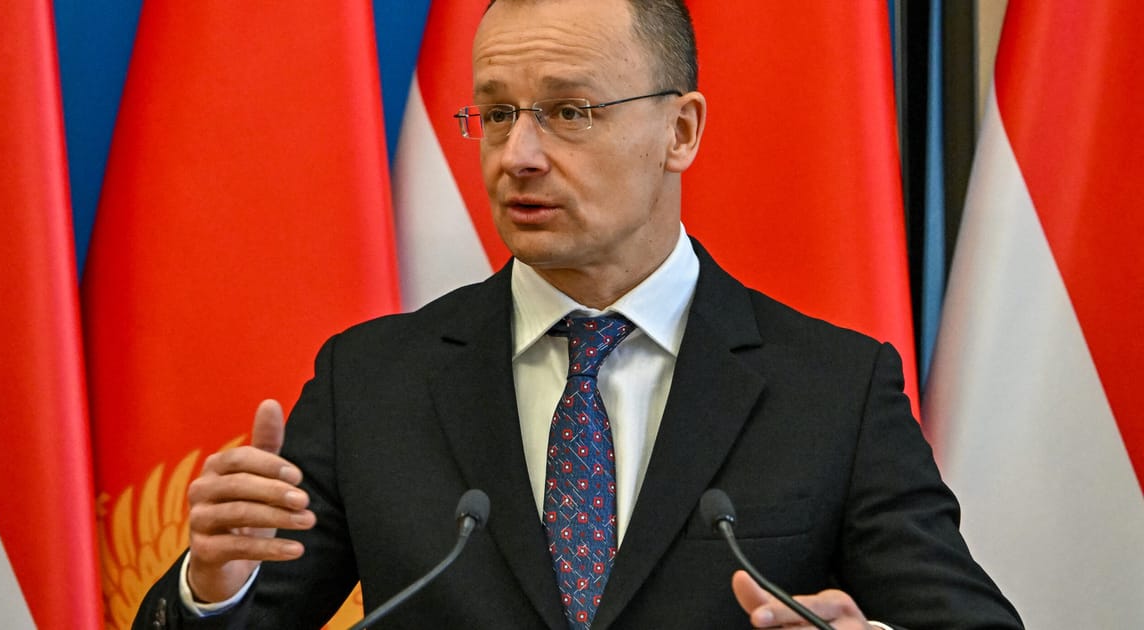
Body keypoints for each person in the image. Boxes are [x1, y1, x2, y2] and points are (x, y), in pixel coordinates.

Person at [135, 0, 1023, 628]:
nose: (518, 154)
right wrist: (215, 585)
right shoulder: (369, 382)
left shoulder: (833, 388)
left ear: (681, 131)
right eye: (495, 113)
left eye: (568, 111)